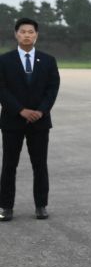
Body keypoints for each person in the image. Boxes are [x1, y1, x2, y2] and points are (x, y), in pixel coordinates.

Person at [0, 18, 60, 222]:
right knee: (9, 164)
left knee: (40, 165)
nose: (27, 35)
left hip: (40, 121)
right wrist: (20, 110)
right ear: (16, 34)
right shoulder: (4, 60)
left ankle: (41, 206)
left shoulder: (48, 60)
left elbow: (52, 89)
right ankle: (5, 207)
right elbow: (2, 90)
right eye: (23, 31)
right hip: (12, 121)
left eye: (31, 32)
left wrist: (41, 111)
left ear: (37, 35)